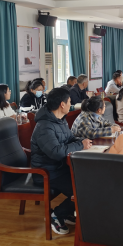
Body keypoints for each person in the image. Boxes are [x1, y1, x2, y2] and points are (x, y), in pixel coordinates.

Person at [30, 88, 92, 235]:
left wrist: (83, 141)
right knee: (83, 190)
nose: (71, 104)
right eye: (69, 101)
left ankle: (66, 212)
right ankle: (57, 214)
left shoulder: (60, 120)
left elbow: (69, 139)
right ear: (62, 104)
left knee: (90, 182)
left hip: (60, 168)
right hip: (47, 173)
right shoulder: (45, 126)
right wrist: (80, 145)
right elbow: (56, 152)